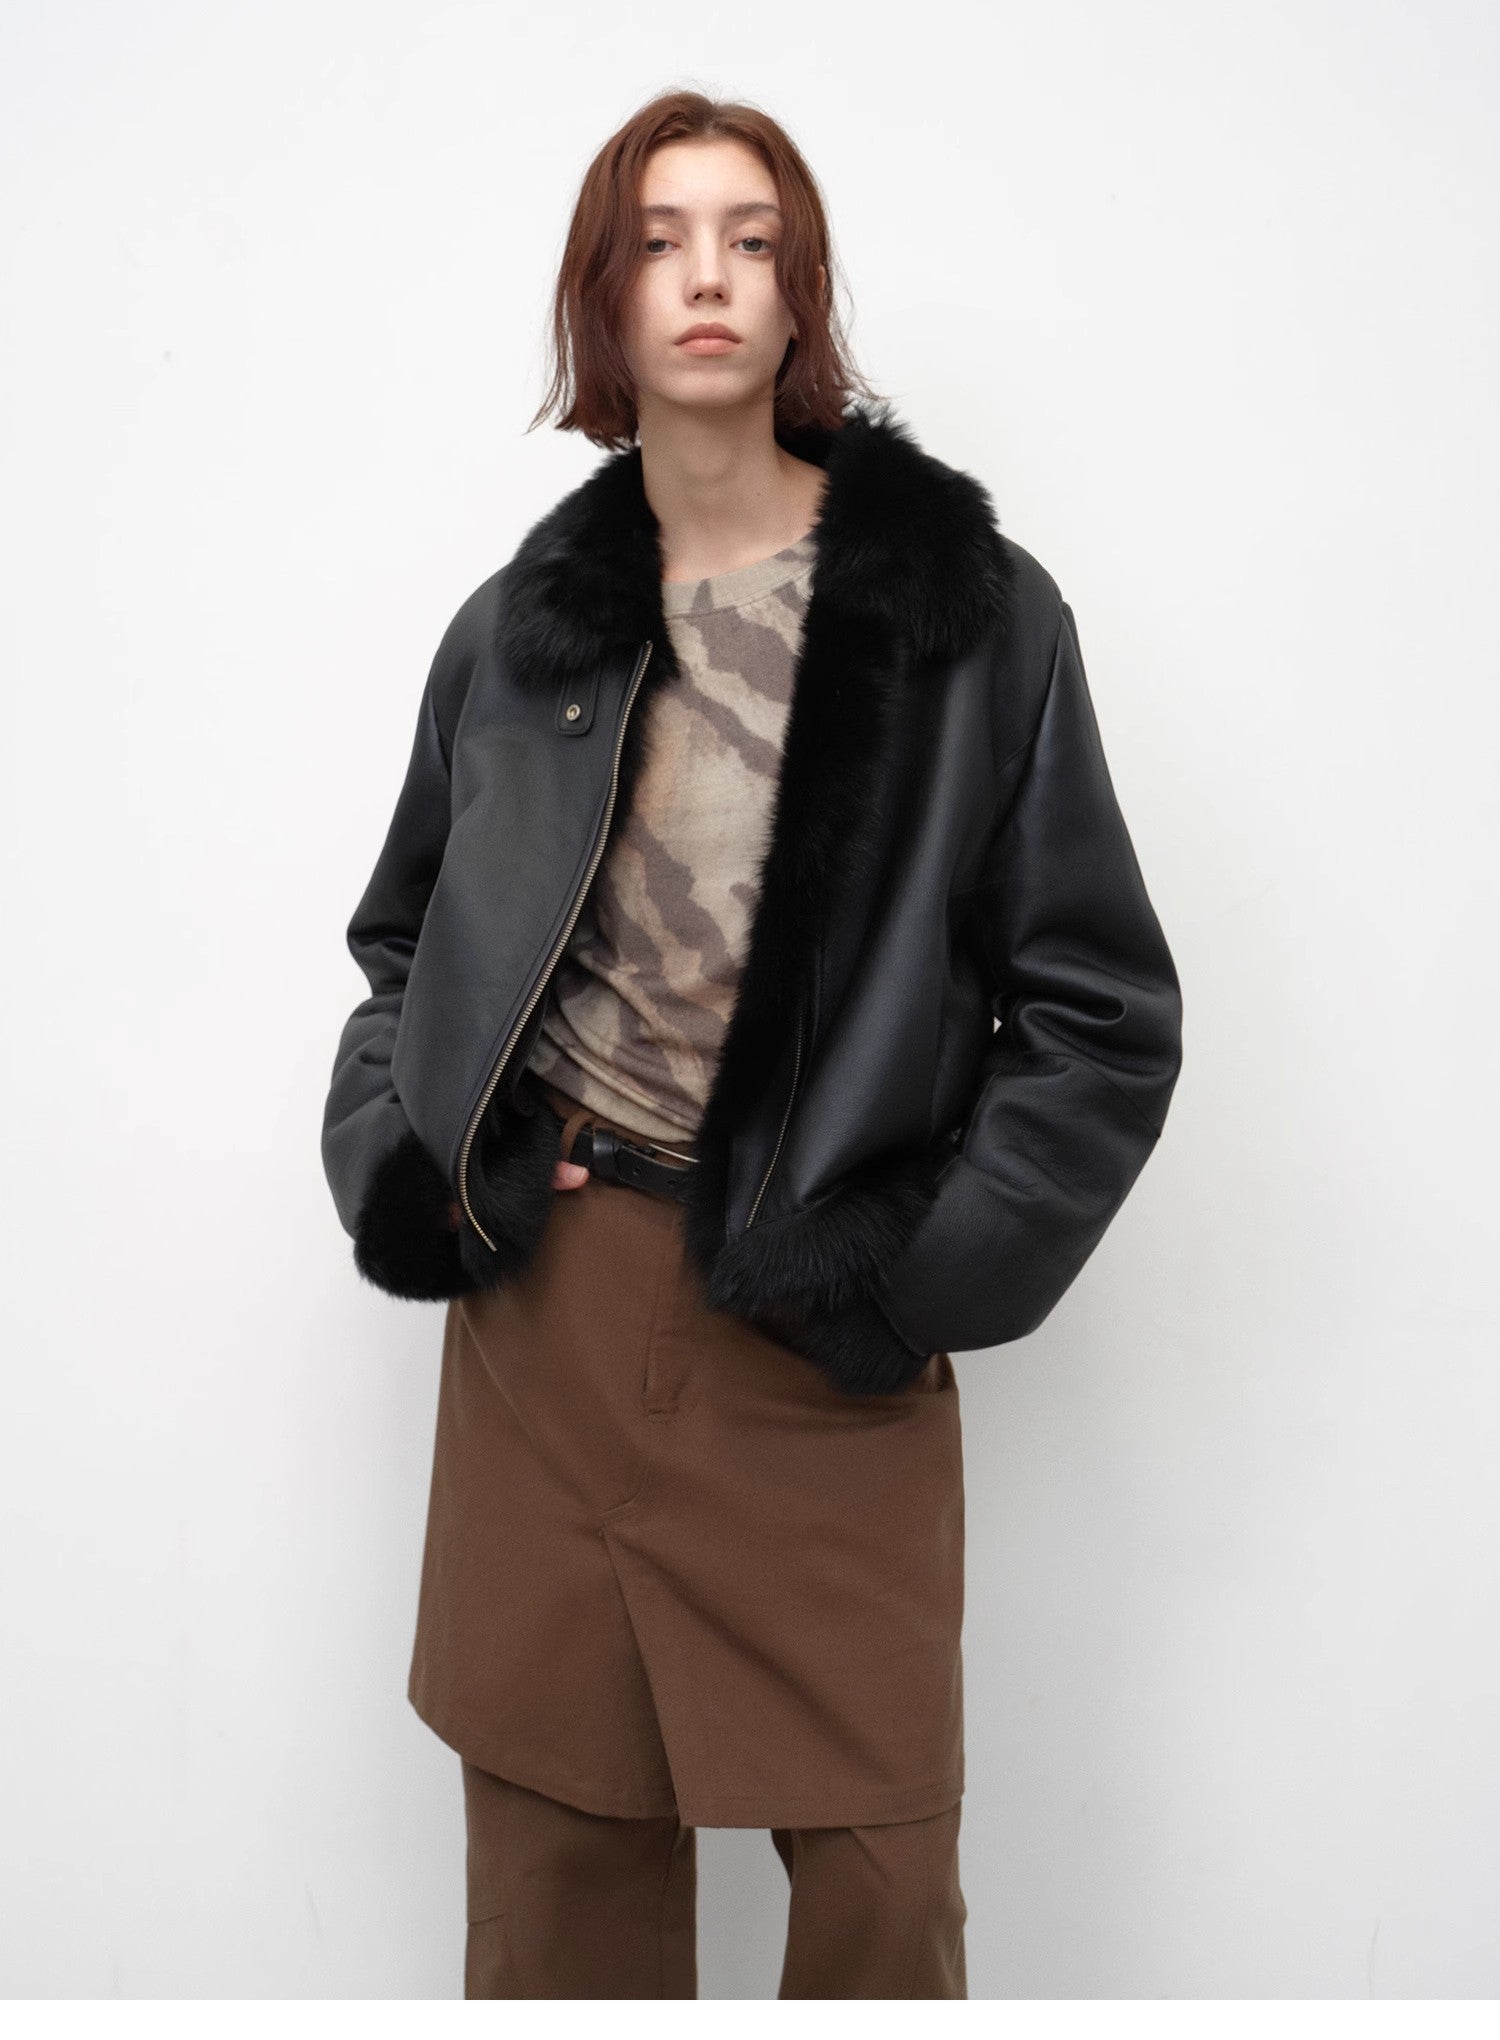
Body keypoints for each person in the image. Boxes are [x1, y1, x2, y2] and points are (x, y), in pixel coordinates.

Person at [320, 88, 1183, 2001]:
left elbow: (1100, 1011)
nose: (705, 275)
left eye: (751, 239)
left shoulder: (970, 623)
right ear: (603, 304)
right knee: (555, 1893)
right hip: (550, 1330)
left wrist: (918, 1278)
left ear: (800, 299)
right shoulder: (515, 637)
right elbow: (402, 948)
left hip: (813, 1341)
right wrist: (427, 1164)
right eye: (657, 241)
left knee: (881, 1890)